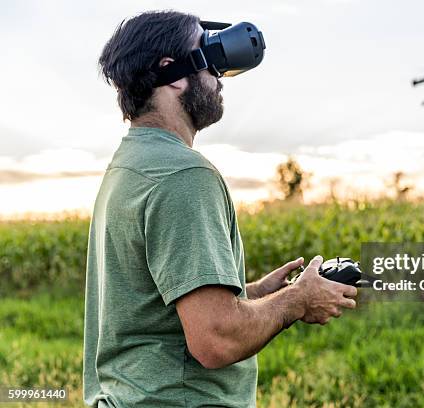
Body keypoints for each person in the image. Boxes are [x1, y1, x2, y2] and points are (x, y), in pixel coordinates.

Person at [83, 10, 358, 408]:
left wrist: (256, 295)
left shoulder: (129, 165)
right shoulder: (183, 175)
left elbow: (154, 310)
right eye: (211, 61)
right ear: (173, 73)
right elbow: (214, 339)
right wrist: (298, 300)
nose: (219, 79)